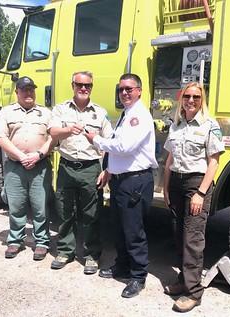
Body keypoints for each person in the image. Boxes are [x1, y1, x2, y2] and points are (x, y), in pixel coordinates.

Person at [85, 73, 158, 298]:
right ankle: (123, 265)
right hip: (121, 181)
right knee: (119, 227)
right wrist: (109, 170)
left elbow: (124, 146)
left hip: (135, 182)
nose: (124, 93)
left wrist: (96, 139)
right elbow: (120, 151)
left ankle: (137, 276)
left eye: (129, 89)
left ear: (139, 91)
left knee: (133, 231)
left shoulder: (139, 116)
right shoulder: (127, 114)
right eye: (121, 89)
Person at [163, 82, 225, 312]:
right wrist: (166, 188)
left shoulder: (210, 125)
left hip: (195, 185)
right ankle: (182, 280)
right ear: (182, 99)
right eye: (187, 96)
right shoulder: (176, 125)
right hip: (177, 183)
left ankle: (193, 292)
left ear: (202, 100)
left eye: (196, 97)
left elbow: (214, 161)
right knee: (178, 234)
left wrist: (200, 192)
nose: (191, 100)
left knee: (193, 239)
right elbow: (169, 161)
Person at [48, 71, 113, 274]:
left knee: (91, 214)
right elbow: (52, 132)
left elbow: (110, 143)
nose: (83, 88)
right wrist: (69, 130)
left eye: (88, 85)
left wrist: (107, 170)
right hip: (67, 166)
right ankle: (65, 251)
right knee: (65, 211)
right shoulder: (60, 109)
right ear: (73, 85)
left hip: (90, 168)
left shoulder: (100, 113)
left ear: (92, 87)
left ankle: (92, 255)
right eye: (79, 84)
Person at [0, 76, 54, 261]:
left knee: (40, 207)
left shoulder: (45, 112)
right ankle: (15, 240)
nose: (29, 93)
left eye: (31, 89)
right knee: (16, 205)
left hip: (40, 165)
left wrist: (39, 155)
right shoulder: (7, 111)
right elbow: (0, 138)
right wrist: (21, 156)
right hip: (15, 166)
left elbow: (53, 137)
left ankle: (42, 242)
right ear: (17, 92)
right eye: (24, 89)